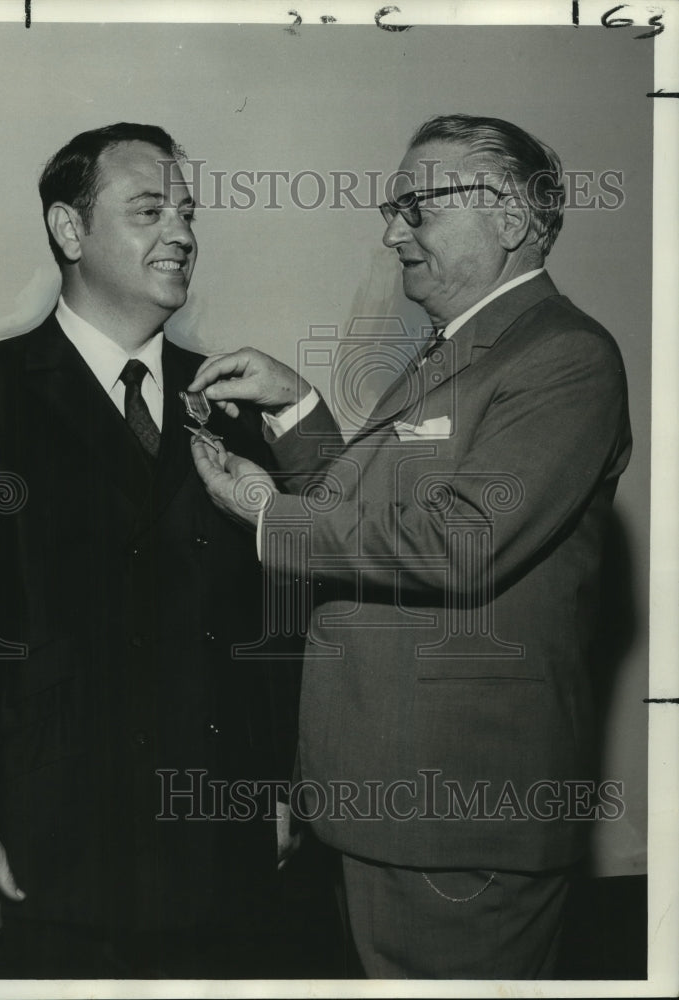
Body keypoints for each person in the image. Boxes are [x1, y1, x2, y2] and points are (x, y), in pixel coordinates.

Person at [188, 114, 632, 979]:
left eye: (416, 209)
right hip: (390, 806)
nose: (392, 233)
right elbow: (377, 507)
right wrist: (295, 409)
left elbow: (457, 543)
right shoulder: (461, 350)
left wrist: (264, 515)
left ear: (508, 217)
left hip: (455, 815)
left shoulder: (565, 357)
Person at [0, 122, 300, 979]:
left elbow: (267, 625)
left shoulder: (232, 399)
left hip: (214, 848)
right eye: (150, 209)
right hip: (45, 852)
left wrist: (273, 787)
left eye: (188, 212)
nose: (182, 234)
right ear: (69, 231)